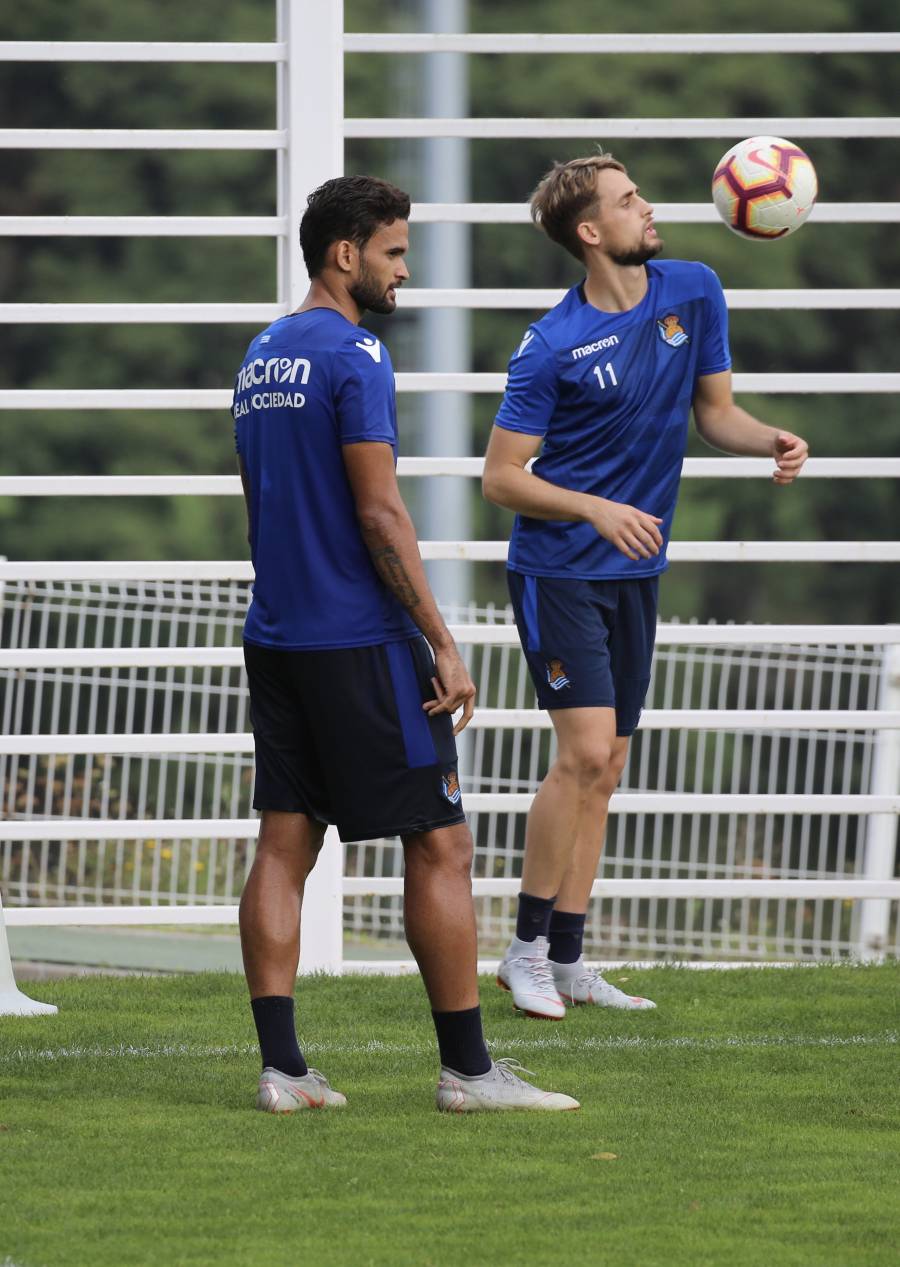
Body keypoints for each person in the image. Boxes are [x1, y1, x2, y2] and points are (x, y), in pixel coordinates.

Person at [233, 174, 578, 1112]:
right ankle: (469, 1072)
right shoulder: (355, 355)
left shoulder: (260, 356)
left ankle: (283, 1069)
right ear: (345, 254)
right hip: (357, 638)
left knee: (284, 842)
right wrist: (441, 640)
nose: (403, 270)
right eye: (393, 251)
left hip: (277, 635)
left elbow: (270, 503)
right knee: (441, 843)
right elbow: (380, 512)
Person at [482, 153, 809, 1019]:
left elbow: (714, 413)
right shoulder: (551, 344)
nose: (648, 207)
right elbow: (502, 478)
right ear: (591, 232)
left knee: (612, 762)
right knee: (583, 752)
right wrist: (592, 509)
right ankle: (522, 952)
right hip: (558, 569)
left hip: (637, 568)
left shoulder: (694, 290)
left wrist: (768, 438)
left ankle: (572, 956)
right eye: (629, 201)